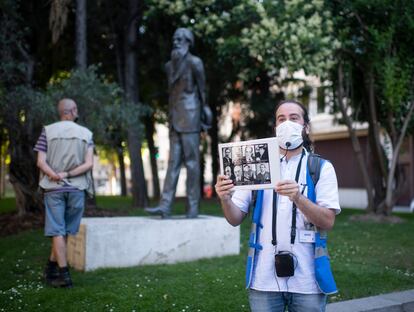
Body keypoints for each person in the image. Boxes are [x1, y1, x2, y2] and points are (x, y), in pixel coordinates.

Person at [215, 100, 340, 312]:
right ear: (275, 127)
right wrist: (225, 198)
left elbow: (327, 221)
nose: (287, 123)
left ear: (305, 127)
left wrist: (299, 198)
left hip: (307, 281)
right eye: (281, 119)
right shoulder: (257, 165)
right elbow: (234, 218)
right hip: (264, 280)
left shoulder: (321, 168)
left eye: (294, 118)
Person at [145, 27, 207, 218]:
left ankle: (193, 207)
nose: (176, 42)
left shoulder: (195, 62)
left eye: (180, 39)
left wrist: (204, 114)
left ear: (189, 42)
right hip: (174, 117)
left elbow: (202, 90)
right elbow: (172, 94)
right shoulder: (169, 66)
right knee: (173, 163)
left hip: (191, 116)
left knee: (192, 163)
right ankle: (165, 206)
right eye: (174, 38)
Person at [34, 98, 94, 288]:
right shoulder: (86, 133)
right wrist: (67, 174)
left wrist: (55, 175)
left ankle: (56, 271)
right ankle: (60, 273)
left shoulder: (47, 131)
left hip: (53, 188)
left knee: (57, 231)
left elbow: (41, 162)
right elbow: (88, 164)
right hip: (77, 189)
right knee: (64, 231)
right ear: (72, 110)